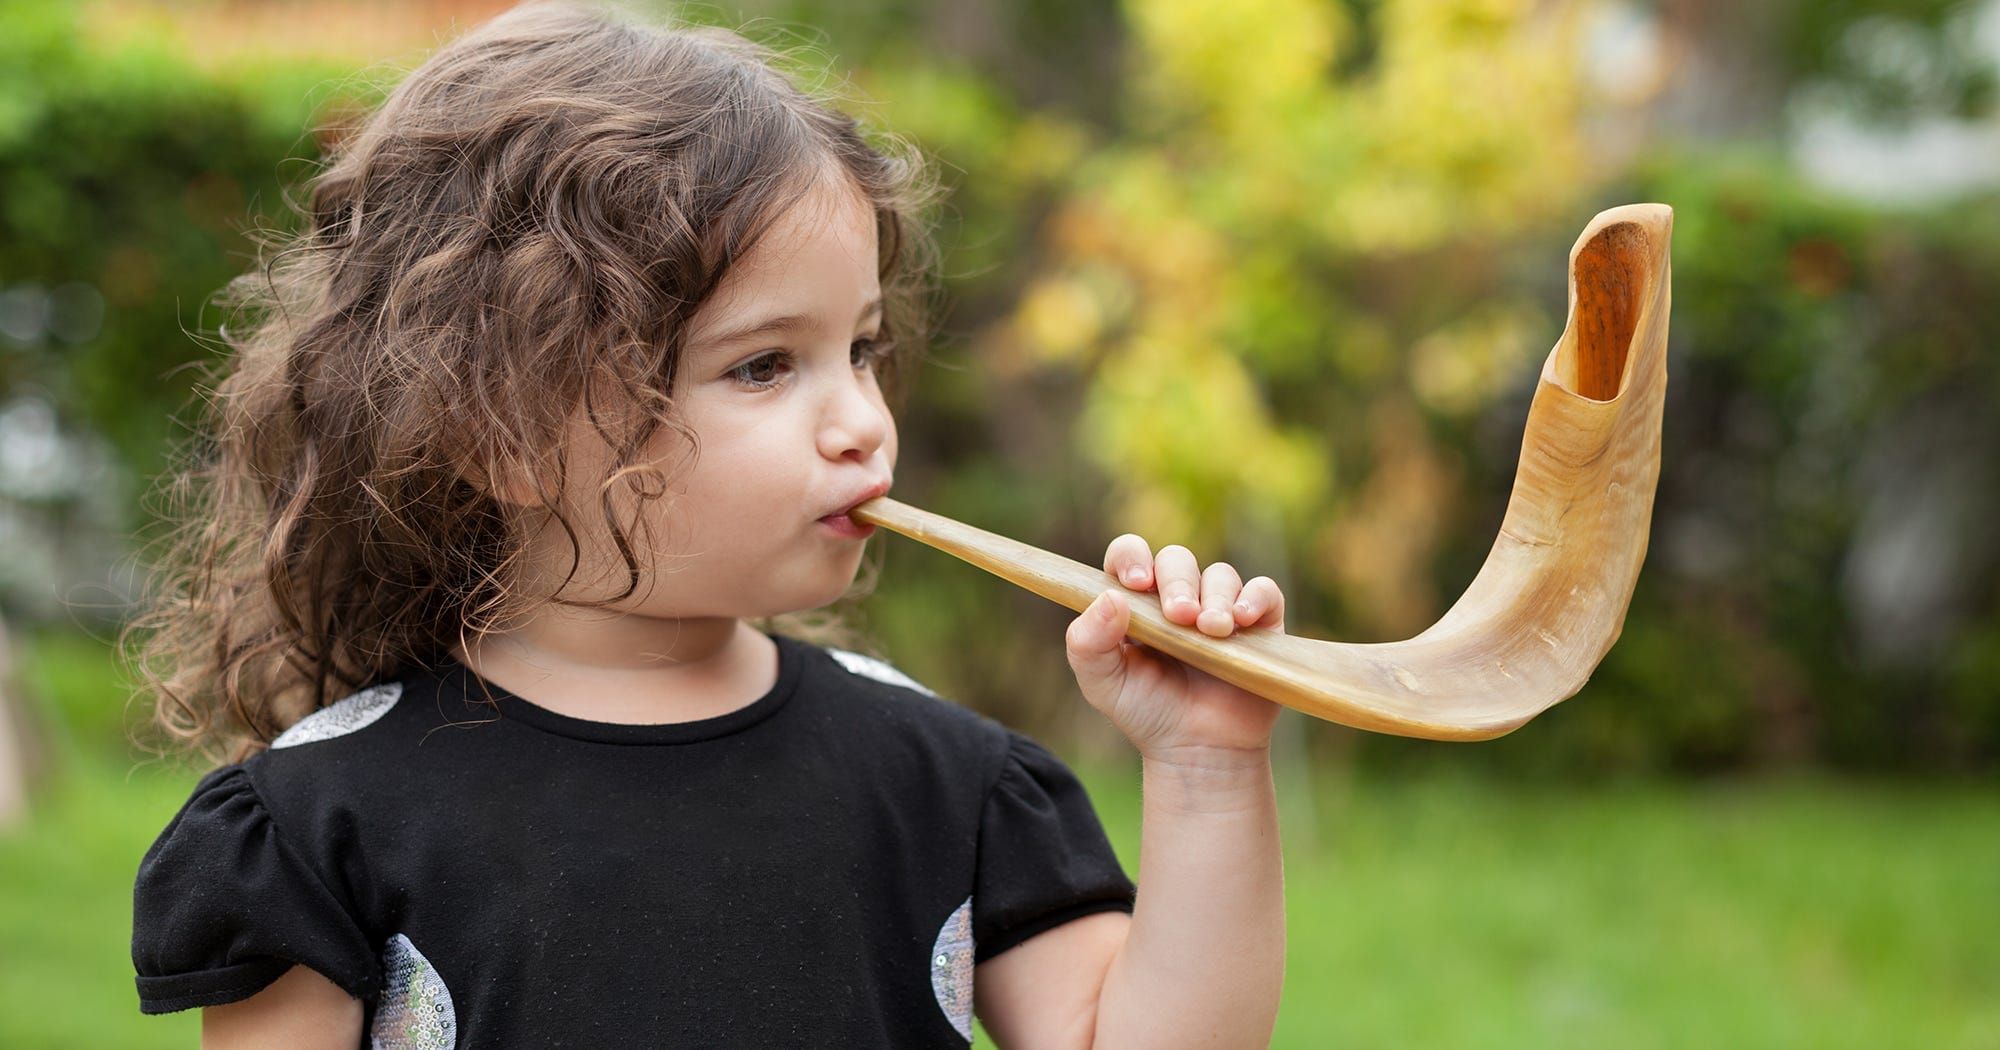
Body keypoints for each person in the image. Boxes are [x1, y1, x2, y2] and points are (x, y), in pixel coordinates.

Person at [125, 2, 1286, 1045]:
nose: (861, 423)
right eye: (766, 364)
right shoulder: (324, 819)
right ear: (506, 436)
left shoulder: (945, 777)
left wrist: (1204, 771)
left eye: (862, 349)